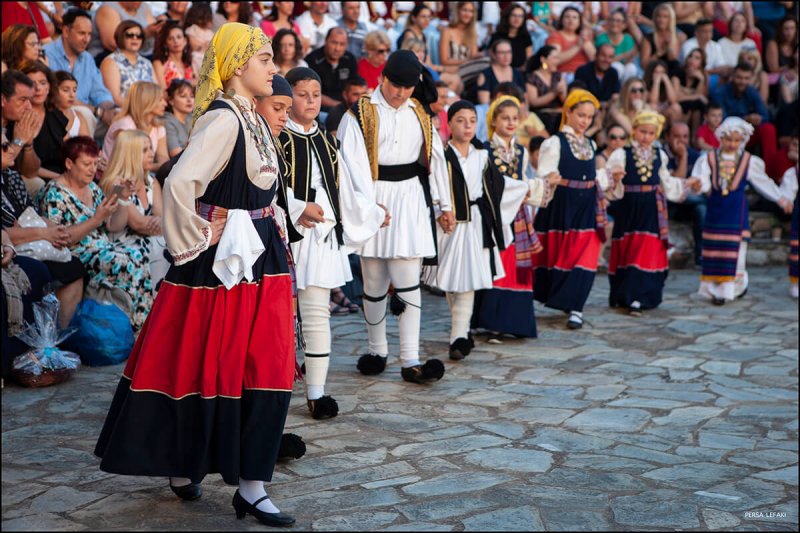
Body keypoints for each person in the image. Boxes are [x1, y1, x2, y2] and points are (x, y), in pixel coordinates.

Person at [94, 22, 297, 528]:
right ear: (235, 66)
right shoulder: (225, 120)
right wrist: (200, 235)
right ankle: (228, 478)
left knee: (254, 364)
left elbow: (260, 192)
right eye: (266, 59)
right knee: (215, 363)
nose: (274, 68)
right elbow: (181, 180)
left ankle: (242, 480)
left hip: (259, 261)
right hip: (226, 267)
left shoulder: (252, 118)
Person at [337, 49, 452, 384]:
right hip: (374, 195)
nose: (401, 92)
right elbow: (352, 164)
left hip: (411, 198)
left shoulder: (419, 112)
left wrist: (445, 204)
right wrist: (369, 208)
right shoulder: (360, 113)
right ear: (382, 78)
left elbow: (436, 158)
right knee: (373, 280)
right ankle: (377, 350)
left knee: (407, 280)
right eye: (396, 84)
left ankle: (411, 358)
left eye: (408, 86)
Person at [279, 66, 386, 418]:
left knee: (316, 314)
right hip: (283, 235)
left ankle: (317, 392)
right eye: (301, 94)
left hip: (321, 236)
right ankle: (271, 391)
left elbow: (344, 188)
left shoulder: (326, 138)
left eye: (315, 94)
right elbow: (267, 188)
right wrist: (297, 208)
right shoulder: (276, 137)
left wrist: (371, 211)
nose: (310, 101)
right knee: (277, 317)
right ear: (286, 95)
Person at [423, 100, 530, 356]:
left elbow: (498, 186)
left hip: (476, 223)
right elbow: (433, 186)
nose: (467, 126)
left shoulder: (482, 155)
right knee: (451, 279)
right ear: (449, 124)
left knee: (468, 279)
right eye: (461, 120)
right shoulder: (442, 156)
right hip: (449, 223)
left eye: (472, 120)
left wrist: (529, 189)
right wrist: (439, 211)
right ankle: (461, 328)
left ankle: (458, 336)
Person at [36, 135, 154, 330]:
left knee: (139, 253)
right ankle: (132, 327)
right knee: (125, 260)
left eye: (95, 163)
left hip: (101, 247)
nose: (93, 169)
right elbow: (60, 238)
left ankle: (140, 325)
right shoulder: (54, 193)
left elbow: (112, 226)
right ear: (68, 163)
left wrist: (122, 198)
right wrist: (95, 220)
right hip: (74, 253)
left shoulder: (91, 187)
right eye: (86, 164)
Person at [533, 89, 623, 330]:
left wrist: (609, 177)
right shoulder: (554, 143)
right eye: (580, 115)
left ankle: (576, 307)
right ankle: (564, 300)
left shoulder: (591, 144)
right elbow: (545, 174)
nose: (585, 121)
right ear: (568, 112)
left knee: (587, 255)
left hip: (586, 206)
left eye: (589, 117)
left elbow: (592, 177)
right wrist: (548, 177)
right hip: (562, 204)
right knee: (559, 256)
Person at [471, 95, 555, 343]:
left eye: (514, 119)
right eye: (504, 118)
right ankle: (490, 321)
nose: (510, 123)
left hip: (516, 214)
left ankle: (514, 322)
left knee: (513, 266)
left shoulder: (520, 150)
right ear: (493, 121)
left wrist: (537, 187)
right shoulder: (484, 150)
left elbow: (522, 179)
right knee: (495, 264)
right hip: (493, 215)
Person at [605, 111, 700, 315]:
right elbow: (610, 180)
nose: (646, 136)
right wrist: (616, 178)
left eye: (651, 133)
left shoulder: (660, 156)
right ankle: (625, 295)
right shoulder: (622, 153)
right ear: (634, 131)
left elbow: (666, 182)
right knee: (629, 250)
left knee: (645, 250)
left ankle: (639, 297)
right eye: (642, 131)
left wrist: (686, 184)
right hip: (628, 208)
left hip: (650, 209)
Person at [691, 117, 794, 304]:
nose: (732, 144)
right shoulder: (709, 158)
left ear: (743, 140)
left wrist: (780, 198)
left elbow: (762, 182)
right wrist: (698, 185)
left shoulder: (748, 161)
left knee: (736, 251)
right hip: (716, 210)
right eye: (728, 139)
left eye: (737, 140)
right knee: (714, 250)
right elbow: (703, 181)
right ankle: (713, 289)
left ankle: (731, 289)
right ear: (721, 138)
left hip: (736, 211)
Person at [2, 131, 85, 329]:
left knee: (74, 266)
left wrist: (56, 230)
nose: (11, 149)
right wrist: (44, 233)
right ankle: (39, 341)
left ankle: (57, 338)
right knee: (38, 271)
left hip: (27, 241)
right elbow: (5, 231)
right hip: (14, 248)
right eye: (4, 147)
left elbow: (30, 213)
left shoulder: (10, 177)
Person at [98, 129, 164, 285]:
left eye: (150, 148)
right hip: (124, 244)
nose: (151, 154)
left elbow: (160, 216)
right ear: (130, 154)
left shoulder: (151, 181)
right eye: (144, 150)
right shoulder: (116, 183)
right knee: (165, 248)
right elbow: (139, 224)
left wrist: (162, 221)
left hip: (148, 239)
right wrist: (165, 223)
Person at [42, 9, 115, 131]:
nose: (86, 39)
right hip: (57, 113)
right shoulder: (46, 54)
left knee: (122, 118)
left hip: (91, 114)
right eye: (81, 33)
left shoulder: (87, 58)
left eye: (89, 34)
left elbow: (99, 92)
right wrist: (97, 111)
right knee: (84, 114)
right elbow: (52, 98)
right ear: (65, 31)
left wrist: (111, 110)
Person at [713, 62, 779, 180]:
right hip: (726, 136)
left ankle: (771, 173)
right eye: (739, 77)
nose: (742, 81)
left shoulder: (752, 92)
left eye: (746, 78)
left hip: (747, 135)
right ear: (733, 76)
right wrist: (745, 119)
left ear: (751, 78)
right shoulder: (721, 92)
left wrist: (757, 119)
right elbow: (719, 119)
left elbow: (765, 116)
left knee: (768, 129)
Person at [101, 81, 168, 174]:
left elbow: (163, 158)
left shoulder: (158, 127)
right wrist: (158, 166)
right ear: (146, 101)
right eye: (160, 100)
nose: (165, 104)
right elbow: (129, 164)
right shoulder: (124, 125)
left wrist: (162, 166)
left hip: (142, 175)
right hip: (118, 178)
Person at [663, 120, 705, 266]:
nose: (681, 141)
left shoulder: (697, 156)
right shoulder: (662, 155)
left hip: (687, 204)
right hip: (667, 204)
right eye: (677, 136)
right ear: (668, 137)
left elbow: (699, 186)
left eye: (685, 136)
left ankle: (701, 255)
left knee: (701, 208)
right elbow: (674, 187)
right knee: (699, 201)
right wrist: (684, 158)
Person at [34, 71, 90, 178]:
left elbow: (86, 149)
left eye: (74, 90)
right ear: (53, 90)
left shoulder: (79, 116)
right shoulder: (47, 116)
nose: (72, 95)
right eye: (65, 90)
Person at [99, 20, 155, 107]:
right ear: (121, 37)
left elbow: (157, 92)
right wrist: (138, 111)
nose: (135, 38)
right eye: (130, 35)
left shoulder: (147, 63)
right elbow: (115, 98)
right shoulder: (111, 62)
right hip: (123, 112)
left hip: (149, 112)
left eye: (139, 36)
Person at [2, 70, 42, 185]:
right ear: (3, 100)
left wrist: (28, 145)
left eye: (30, 100)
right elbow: (3, 163)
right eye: (23, 100)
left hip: (11, 182)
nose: (29, 107)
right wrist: (19, 141)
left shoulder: (19, 123)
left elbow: (31, 173)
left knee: (36, 183)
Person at [306, 27, 358, 112]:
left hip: (347, 107)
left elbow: (355, 87)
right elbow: (311, 92)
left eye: (342, 44)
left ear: (347, 45)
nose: (337, 48)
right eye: (334, 43)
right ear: (326, 41)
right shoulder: (312, 60)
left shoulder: (350, 59)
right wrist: (340, 106)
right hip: (320, 109)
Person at [89, 2, 160, 60]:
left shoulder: (144, 7)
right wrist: (146, 32)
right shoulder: (108, 7)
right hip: (110, 57)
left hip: (142, 56)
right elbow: (113, 43)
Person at [525, 45, 568, 135]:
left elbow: (565, 101)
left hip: (559, 115)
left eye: (558, 58)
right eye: (554, 58)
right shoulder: (532, 77)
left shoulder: (558, 76)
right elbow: (534, 102)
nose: (557, 61)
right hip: (541, 116)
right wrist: (553, 93)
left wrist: (561, 93)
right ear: (543, 59)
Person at [546, 6, 595, 82]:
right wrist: (577, 47)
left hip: (585, 75)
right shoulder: (556, 36)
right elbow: (555, 60)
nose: (571, 20)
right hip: (565, 74)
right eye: (567, 17)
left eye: (575, 17)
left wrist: (586, 41)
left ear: (579, 22)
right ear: (562, 20)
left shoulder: (582, 37)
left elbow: (595, 59)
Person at [640, 4, 685, 78]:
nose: (661, 20)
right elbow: (644, 65)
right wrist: (659, 53)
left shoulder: (675, 37)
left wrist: (669, 45)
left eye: (665, 17)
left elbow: (673, 60)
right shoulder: (648, 38)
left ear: (670, 20)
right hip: (652, 71)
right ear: (655, 18)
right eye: (659, 16)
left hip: (670, 71)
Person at [595, 9, 639, 82]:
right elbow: (604, 59)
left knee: (631, 68)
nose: (614, 23)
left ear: (624, 25)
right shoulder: (602, 37)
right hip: (605, 69)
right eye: (612, 20)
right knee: (617, 67)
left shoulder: (628, 38)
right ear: (608, 22)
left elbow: (629, 59)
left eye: (618, 21)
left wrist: (626, 57)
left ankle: (626, 91)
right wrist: (625, 55)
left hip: (624, 69)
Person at [476, 40, 526, 105]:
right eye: (502, 53)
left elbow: (525, 101)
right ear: (494, 55)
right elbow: (484, 104)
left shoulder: (518, 73)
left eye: (509, 52)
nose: (506, 56)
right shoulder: (486, 75)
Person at [672, 47, 709, 132]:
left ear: (701, 63)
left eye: (697, 58)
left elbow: (702, 99)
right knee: (692, 106)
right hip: (678, 106)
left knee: (696, 107)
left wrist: (701, 80)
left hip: (692, 108)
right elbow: (676, 98)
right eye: (690, 56)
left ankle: (694, 137)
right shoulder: (678, 72)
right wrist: (696, 96)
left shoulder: (703, 77)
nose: (692, 59)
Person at [489, 4, 533, 70]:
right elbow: (492, 58)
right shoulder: (497, 36)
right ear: (507, 17)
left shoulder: (525, 36)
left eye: (520, 16)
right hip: (500, 71)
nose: (517, 19)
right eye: (514, 15)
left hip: (520, 72)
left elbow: (529, 58)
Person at [152, 21, 195, 89]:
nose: (176, 41)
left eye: (179, 37)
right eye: (170, 38)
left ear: (185, 41)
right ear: (165, 44)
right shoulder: (159, 63)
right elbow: (162, 91)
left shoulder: (190, 61)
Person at [163, 79, 193, 157]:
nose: (189, 100)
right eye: (183, 96)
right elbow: (175, 154)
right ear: (171, 101)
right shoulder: (167, 121)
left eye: (192, 96)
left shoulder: (192, 117)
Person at [183, 2, 214, 75]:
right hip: (197, 56)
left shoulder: (210, 32)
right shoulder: (193, 29)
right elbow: (193, 45)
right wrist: (204, 45)